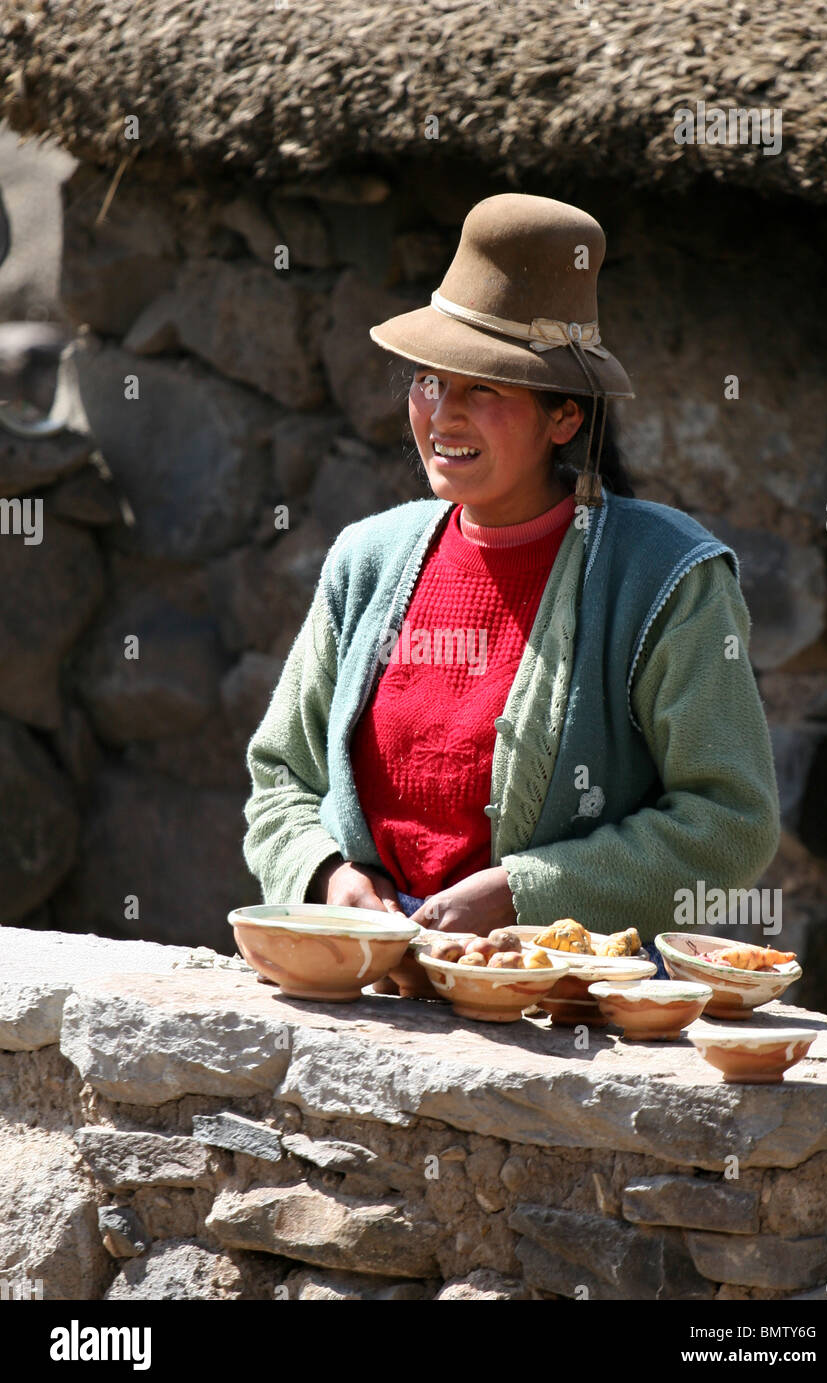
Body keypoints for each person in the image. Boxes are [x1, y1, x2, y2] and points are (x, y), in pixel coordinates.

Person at [242, 193, 780, 986]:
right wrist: (328, 877)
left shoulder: (667, 579)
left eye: (483, 390)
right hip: (365, 985)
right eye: (429, 382)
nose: (441, 415)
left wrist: (521, 893)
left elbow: (729, 821)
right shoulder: (368, 559)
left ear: (564, 418)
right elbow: (281, 774)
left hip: (563, 1010)